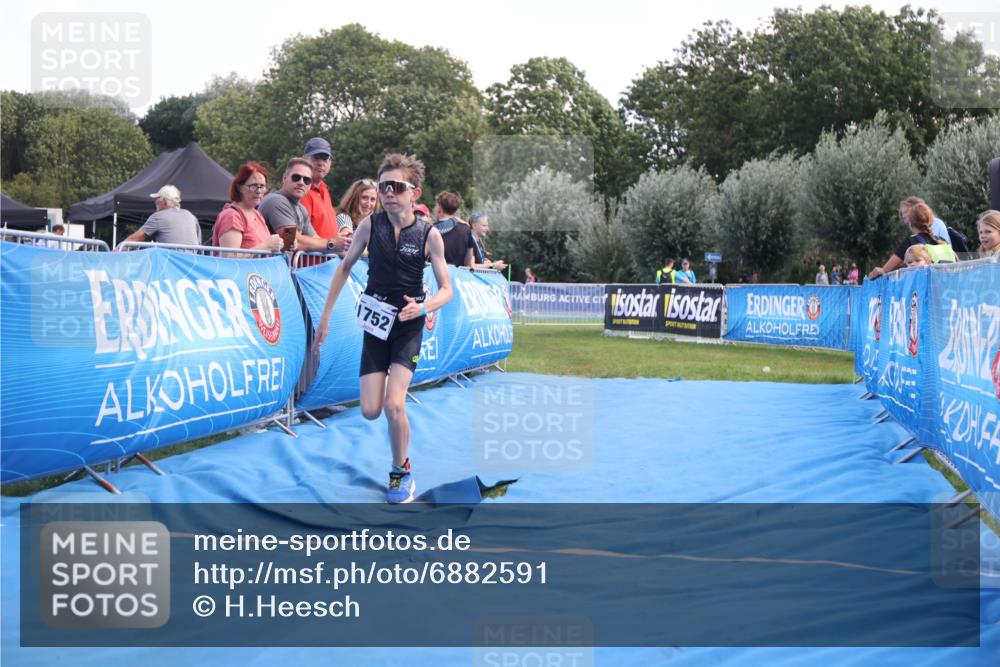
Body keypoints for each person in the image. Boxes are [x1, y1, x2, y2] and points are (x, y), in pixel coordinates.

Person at [313, 153, 453, 504]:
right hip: (375, 324)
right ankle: (396, 437)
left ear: (414, 193)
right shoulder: (369, 226)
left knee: (394, 404)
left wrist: (423, 306)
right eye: (383, 186)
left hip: (408, 324)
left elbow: (448, 289)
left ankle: (400, 470)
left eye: (396, 187)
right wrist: (327, 316)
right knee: (371, 410)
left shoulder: (428, 234)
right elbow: (344, 268)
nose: (388, 193)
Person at [259, 158, 334, 253]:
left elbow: (316, 240)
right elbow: (292, 240)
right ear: (285, 177)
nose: (301, 182)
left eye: (306, 180)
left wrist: (344, 248)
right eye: (296, 177)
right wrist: (332, 244)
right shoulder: (276, 201)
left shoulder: (301, 208)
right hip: (265, 266)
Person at [211, 162, 283, 257]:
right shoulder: (232, 215)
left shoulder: (257, 215)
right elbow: (230, 257)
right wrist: (266, 245)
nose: (258, 191)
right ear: (239, 187)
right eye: (253, 186)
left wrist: (281, 245)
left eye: (262, 186)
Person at [869, 202, 956, 278]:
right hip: (948, 291)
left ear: (910, 223)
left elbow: (884, 271)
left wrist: (875, 273)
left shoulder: (910, 242)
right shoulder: (943, 242)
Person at [298, 138, 350, 253]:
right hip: (309, 267)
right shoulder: (301, 191)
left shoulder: (324, 189)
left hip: (326, 265)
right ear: (304, 159)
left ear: (330, 163)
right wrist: (332, 244)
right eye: (316, 157)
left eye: (325, 158)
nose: (321, 162)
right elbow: (298, 238)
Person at [123, 185, 201, 246]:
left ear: (164, 201)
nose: (155, 201)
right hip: (191, 263)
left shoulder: (158, 216)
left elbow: (134, 239)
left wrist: (117, 251)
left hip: (169, 263)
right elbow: (199, 243)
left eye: (158, 198)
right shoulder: (191, 216)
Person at [433, 191, 473, 267]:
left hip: (435, 275)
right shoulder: (466, 229)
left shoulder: (432, 229)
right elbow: (468, 262)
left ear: (439, 208)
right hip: (458, 276)